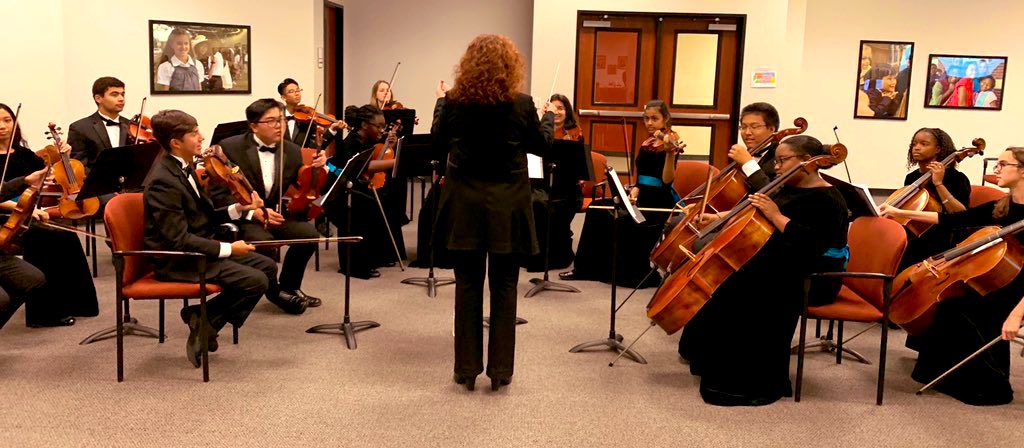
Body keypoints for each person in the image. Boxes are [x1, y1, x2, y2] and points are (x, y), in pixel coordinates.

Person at [678, 135, 849, 406]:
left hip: (812, 275)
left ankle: (754, 381)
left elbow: (810, 245)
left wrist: (776, 216)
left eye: (782, 161)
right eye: (777, 161)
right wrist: (719, 218)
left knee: (744, 288)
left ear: (807, 163)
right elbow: (756, 210)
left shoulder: (829, 199)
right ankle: (712, 363)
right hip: (783, 260)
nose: (777, 167)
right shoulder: (787, 187)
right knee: (729, 281)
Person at [432, 34, 553, 391]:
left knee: (467, 286)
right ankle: (500, 371)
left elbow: (437, 144)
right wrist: (546, 118)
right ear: (510, 67)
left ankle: (466, 369)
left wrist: (439, 103)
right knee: (504, 286)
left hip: (465, 205)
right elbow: (542, 146)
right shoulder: (521, 104)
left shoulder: (454, 101)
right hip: (508, 207)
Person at [879, 146, 1024, 406]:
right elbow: (953, 220)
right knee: (948, 304)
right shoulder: (1004, 205)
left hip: (1015, 288)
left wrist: (1017, 314)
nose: (996, 169)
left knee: (965, 309)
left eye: (1003, 164)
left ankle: (992, 385)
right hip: (990, 275)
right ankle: (941, 374)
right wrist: (902, 213)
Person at [145, 109, 276, 367]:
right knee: (256, 281)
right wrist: (228, 248)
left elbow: (202, 215)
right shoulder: (163, 181)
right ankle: (204, 320)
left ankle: (204, 319)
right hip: (179, 259)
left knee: (268, 268)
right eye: (194, 134)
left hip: (198, 247)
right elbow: (177, 239)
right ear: (175, 142)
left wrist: (239, 209)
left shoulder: (184, 167)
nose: (202, 137)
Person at [209, 98, 329, 313]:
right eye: (272, 121)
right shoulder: (230, 147)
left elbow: (305, 186)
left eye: (282, 120)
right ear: (254, 126)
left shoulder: (291, 150)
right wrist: (252, 213)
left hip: (273, 213)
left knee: (309, 235)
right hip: (245, 216)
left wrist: (320, 169)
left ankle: (290, 286)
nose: (279, 126)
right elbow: (219, 194)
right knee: (262, 242)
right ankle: (274, 292)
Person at [559, 100, 682, 288]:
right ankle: (586, 268)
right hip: (641, 196)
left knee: (623, 219)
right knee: (597, 208)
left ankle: (620, 270)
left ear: (665, 119)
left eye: (654, 119)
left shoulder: (669, 144)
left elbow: (666, 181)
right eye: (646, 118)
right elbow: (642, 176)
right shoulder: (647, 142)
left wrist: (670, 154)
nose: (649, 123)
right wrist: (635, 189)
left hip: (658, 202)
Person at [0, 103, 99, 327]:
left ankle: (78, 302)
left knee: (66, 236)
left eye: (7, 120)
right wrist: (26, 209)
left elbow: (49, 175)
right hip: (7, 217)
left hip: (28, 213)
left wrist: (64, 156)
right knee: (43, 239)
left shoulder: (24, 154)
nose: (2, 126)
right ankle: (42, 313)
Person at [321, 104, 396, 279]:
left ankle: (373, 258)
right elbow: (365, 167)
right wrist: (396, 162)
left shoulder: (366, 140)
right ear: (364, 125)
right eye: (378, 126)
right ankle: (352, 266)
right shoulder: (351, 143)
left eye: (383, 126)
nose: (381, 130)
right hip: (337, 194)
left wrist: (390, 143)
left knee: (380, 203)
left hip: (352, 188)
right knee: (363, 207)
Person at [894, 128, 970, 270]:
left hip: (945, 240)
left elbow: (961, 215)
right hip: (916, 237)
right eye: (914, 144)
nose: (916, 147)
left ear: (938, 149)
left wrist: (938, 183)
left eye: (924, 144)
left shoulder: (956, 178)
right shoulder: (911, 178)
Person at [525, 93, 583, 272]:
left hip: (567, 190)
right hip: (543, 186)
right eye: (554, 108)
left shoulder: (574, 134)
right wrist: (543, 122)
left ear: (567, 112)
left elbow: (578, 168)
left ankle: (557, 256)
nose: (557, 112)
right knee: (532, 203)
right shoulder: (542, 132)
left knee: (547, 207)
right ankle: (534, 255)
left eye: (561, 108)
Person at [68, 77, 130, 173]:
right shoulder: (79, 128)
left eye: (122, 94)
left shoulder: (131, 126)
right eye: (114, 95)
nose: (121, 99)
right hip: (97, 185)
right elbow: (79, 166)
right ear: (98, 98)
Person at [721, 102, 781, 192]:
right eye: (743, 127)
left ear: (772, 129)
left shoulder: (780, 158)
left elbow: (775, 194)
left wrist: (748, 163)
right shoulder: (737, 155)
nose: (747, 132)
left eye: (755, 127)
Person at [154, 28, 205, 92]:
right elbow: (164, 92)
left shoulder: (198, 65)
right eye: (179, 43)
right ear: (172, 45)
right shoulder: (165, 67)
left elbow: (199, 89)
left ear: (189, 45)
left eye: (186, 43)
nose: (183, 47)